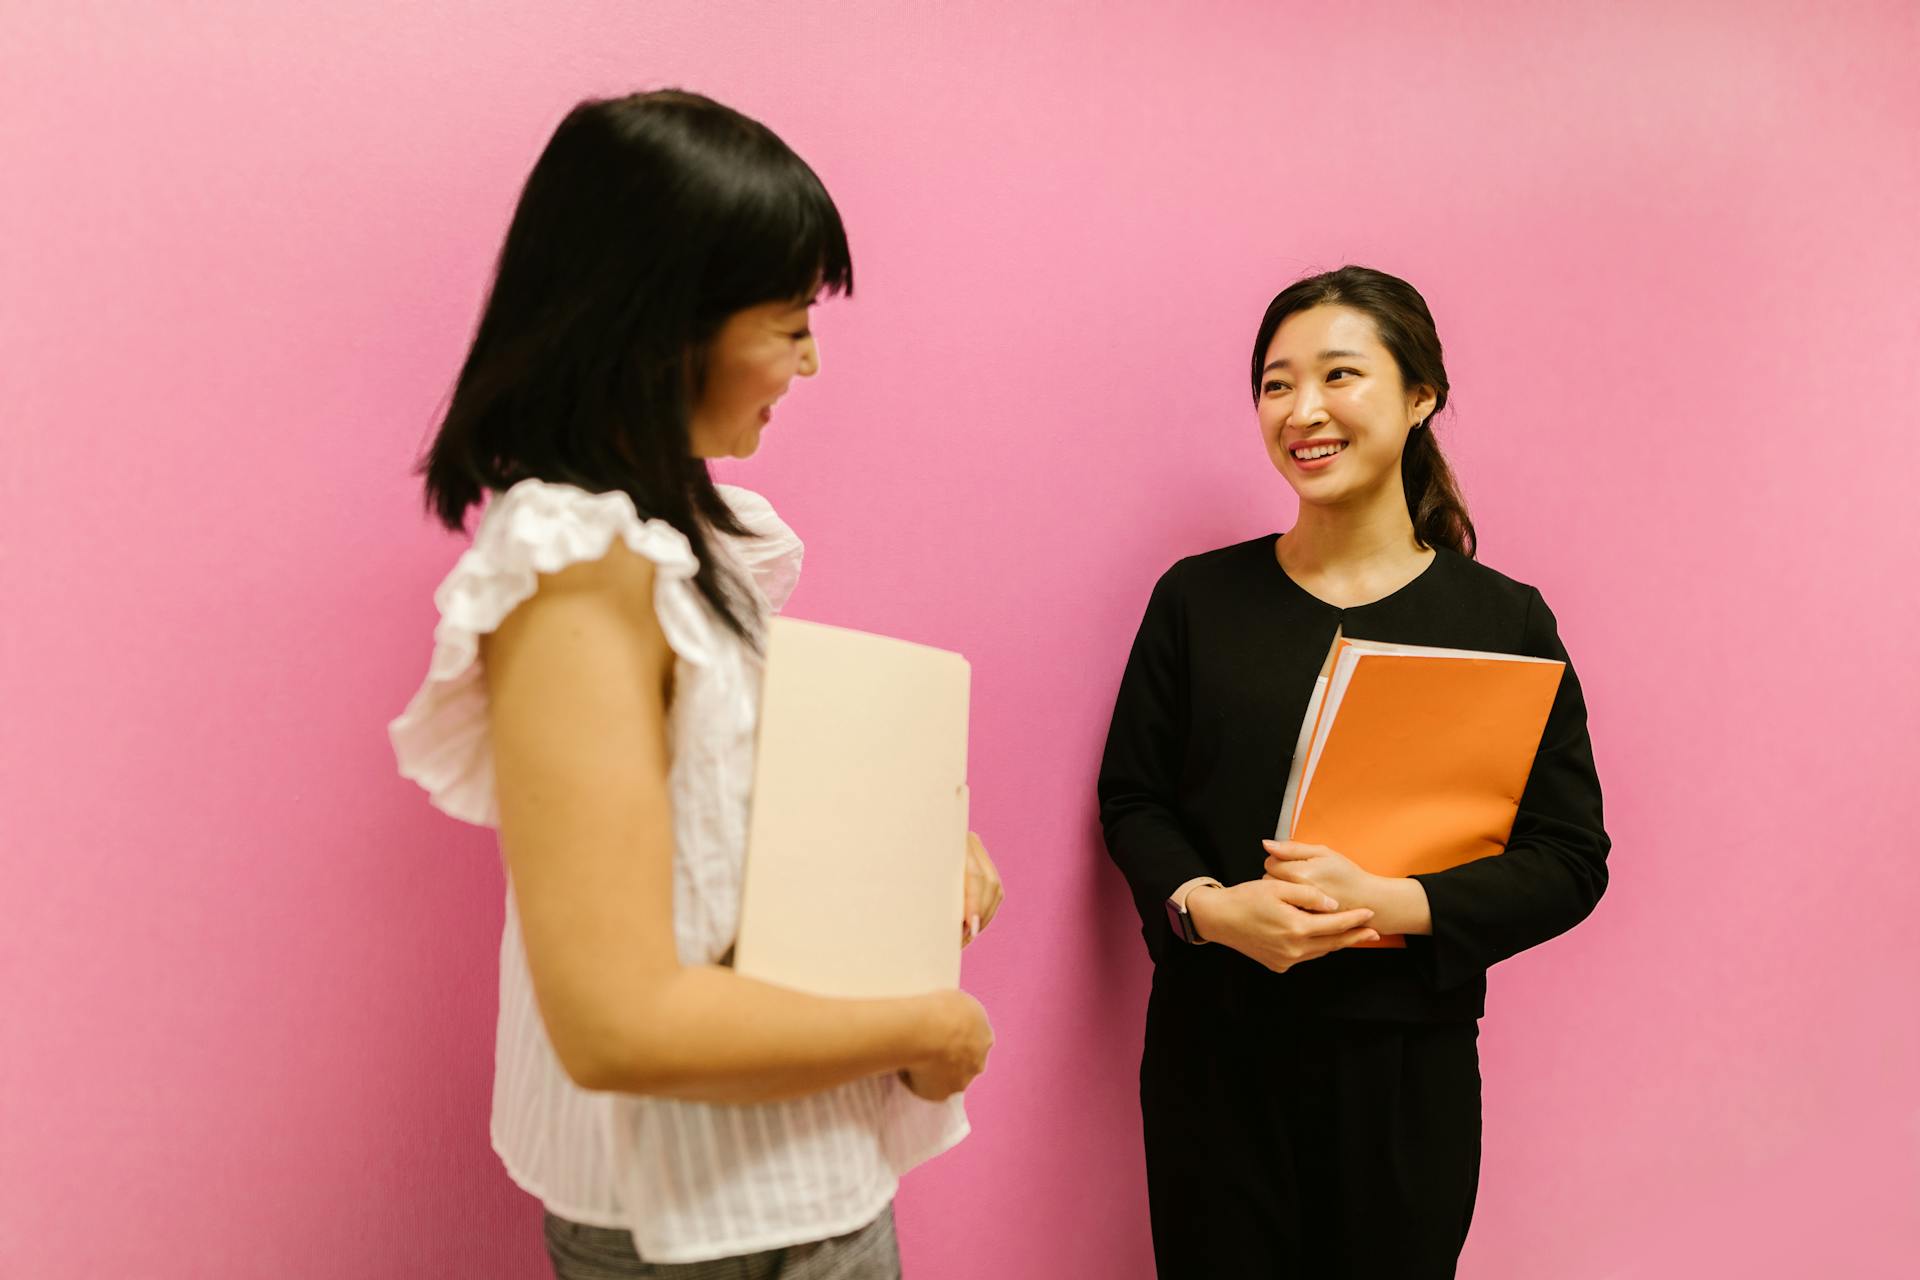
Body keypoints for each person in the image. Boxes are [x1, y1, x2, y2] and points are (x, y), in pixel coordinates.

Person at [388, 90, 1003, 1279]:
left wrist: (916, 842)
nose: (809, 361)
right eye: (787, 322)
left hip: (795, 1185)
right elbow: (621, 1017)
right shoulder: (571, 567)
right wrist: (934, 1024)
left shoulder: (685, 537)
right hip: (707, 1230)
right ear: (662, 328)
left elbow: (710, 818)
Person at [1097, 265, 1609, 1278]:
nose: (1304, 410)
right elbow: (1135, 797)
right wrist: (1208, 907)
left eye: (1340, 375)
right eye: (1277, 383)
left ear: (1421, 396)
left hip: (1402, 1072)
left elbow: (1569, 854)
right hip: (1215, 1060)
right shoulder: (1198, 599)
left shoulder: (1502, 621)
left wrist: (1403, 901)